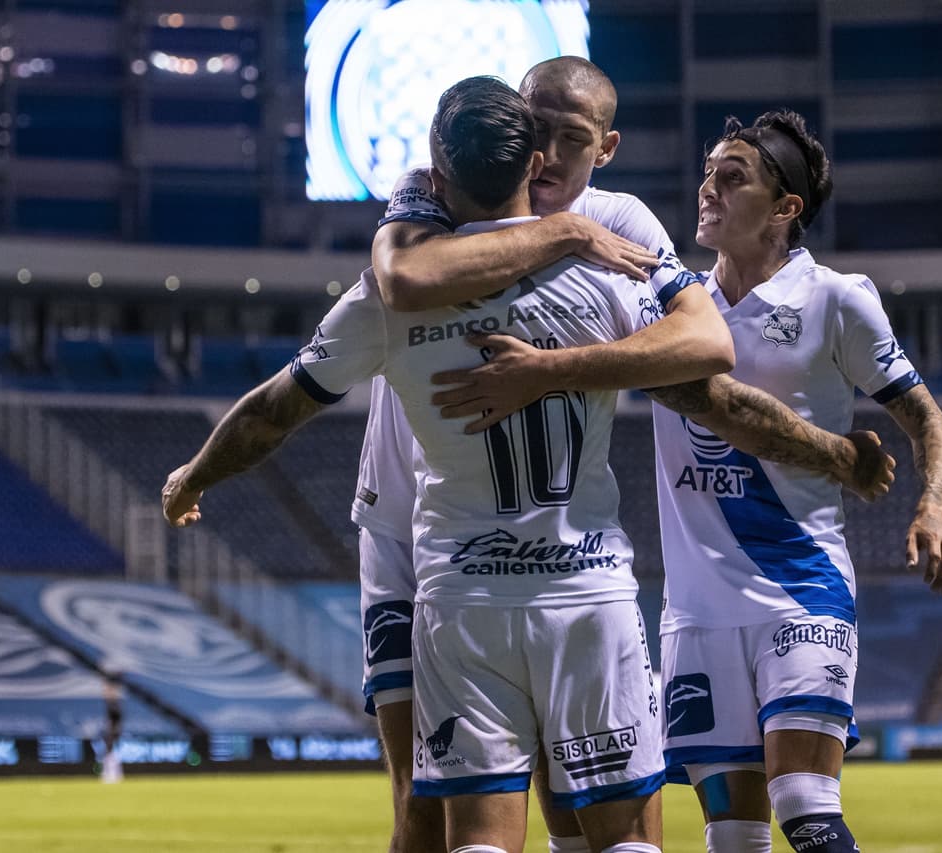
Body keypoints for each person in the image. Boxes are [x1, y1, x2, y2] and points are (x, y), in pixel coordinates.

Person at [163, 75, 734, 853]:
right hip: (586, 586)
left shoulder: (387, 302)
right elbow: (705, 348)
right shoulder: (606, 269)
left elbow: (272, 409)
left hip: (462, 593)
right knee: (625, 838)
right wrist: (564, 352)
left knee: (475, 839)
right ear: (529, 157)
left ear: (437, 176)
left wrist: (192, 474)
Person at [355, 56, 895, 853]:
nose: (542, 152)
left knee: (587, 814)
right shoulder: (437, 186)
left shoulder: (630, 228)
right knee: (420, 813)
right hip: (409, 528)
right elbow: (401, 275)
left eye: (568, 137)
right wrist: (567, 233)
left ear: (604, 149)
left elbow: (697, 363)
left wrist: (828, 453)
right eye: (532, 126)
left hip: (553, 552)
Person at [100, 670, 124, 784]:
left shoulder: (114, 704)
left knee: (112, 748)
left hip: (114, 723)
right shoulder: (112, 702)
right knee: (110, 749)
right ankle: (110, 773)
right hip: (113, 723)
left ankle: (112, 773)